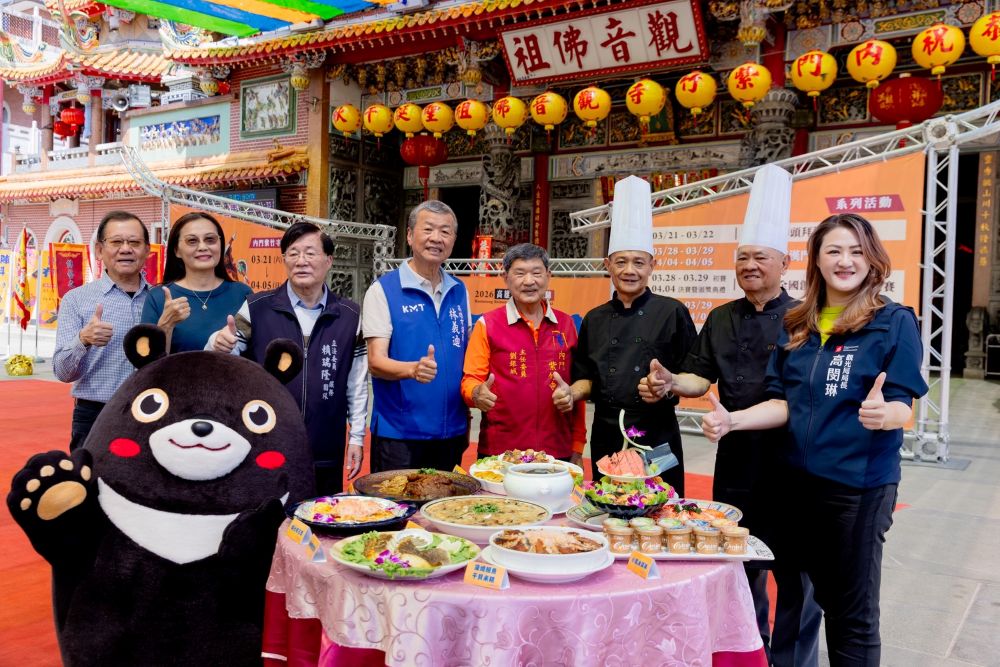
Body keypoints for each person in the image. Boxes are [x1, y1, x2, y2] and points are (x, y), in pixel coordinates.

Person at [701, 213, 928, 667]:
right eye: (834, 251)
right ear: (817, 261)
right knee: (797, 590)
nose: (846, 261)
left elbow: (902, 404)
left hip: (856, 490)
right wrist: (733, 421)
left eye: (857, 251)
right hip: (794, 486)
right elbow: (783, 402)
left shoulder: (893, 321)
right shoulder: (797, 322)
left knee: (851, 615)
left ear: (872, 259)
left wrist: (885, 415)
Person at [644, 165, 821, 666]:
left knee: (795, 571)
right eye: (742, 257)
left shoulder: (804, 317)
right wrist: (671, 382)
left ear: (784, 263)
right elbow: (699, 377)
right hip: (738, 459)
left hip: (794, 459)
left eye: (760, 257)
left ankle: (793, 660)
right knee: (740, 563)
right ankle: (750, 651)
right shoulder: (722, 317)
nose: (749, 265)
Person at [207, 221, 368, 494]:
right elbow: (225, 360)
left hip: (326, 446)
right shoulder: (257, 307)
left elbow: (357, 384)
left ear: (328, 260)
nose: (301, 261)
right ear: (284, 259)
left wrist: (357, 438)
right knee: (268, 514)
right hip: (266, 442)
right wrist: (217, 344)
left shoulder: (350, 315)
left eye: (310, 253)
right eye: (293, 253)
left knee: (323, 514)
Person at [562, 176, 697, 494]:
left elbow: (693, 374)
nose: (629, 270)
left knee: (662, 504)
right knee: (609, 505)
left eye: (638, 262)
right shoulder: (594, 318)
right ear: (607, 265)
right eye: (621, 262)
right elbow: (586, 377)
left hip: (657, 431)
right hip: (607, 431)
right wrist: (572, 393)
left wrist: (668, 385)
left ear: (652, 265)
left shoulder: (672, 312)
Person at [362, 200, 471, 472]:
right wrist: (412, 369)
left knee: (447, 500)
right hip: (400, 436)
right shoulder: (383, 290)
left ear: (453, 240)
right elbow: (375, 362)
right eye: (428, 229)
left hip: (451, 433)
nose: (436, 238)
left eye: (445, 231)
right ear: (410, 235)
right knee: (395, 500)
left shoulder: (460, 290)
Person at [461, 243, 586, 465]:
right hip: (500, 451)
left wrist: (577, 445)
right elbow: (470, 380)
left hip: (557, 450)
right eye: (520, 273)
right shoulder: (487, 324)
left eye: (536, 273)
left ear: (548, 276)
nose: (529, 281)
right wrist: (476, 393)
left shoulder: (567, 325)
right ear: (505, 278)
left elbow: (577, 388)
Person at [53, 210, 152, 450]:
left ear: (147, 250)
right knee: (89, 474)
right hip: (95, 414)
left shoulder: (160, 299)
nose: (126, 249)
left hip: (151, 412)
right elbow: (62, 372)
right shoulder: (76, 300)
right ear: (99, 250)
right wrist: (83, 340)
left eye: (134, 242)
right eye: (116, 242)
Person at [141, 212, 252, 352]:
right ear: (176, 250)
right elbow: (148, 361)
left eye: (210, 239)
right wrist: (166, 326)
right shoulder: (158, 297)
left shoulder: (243, 293)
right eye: (192, 241)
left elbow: (256, 352)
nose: (203, 247)